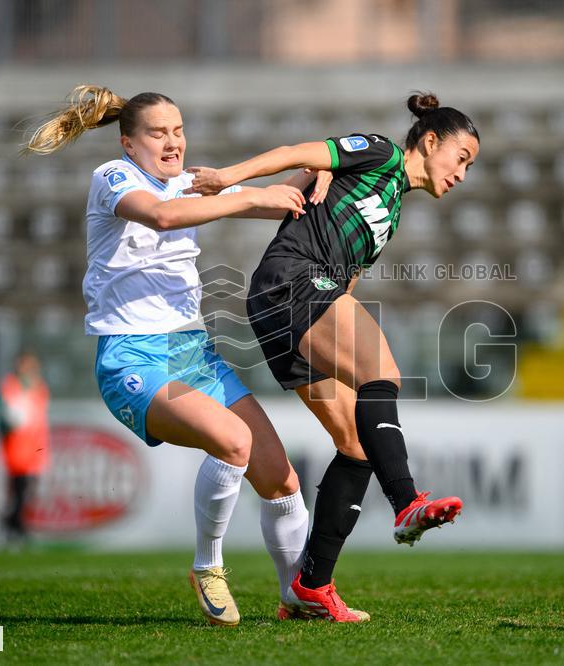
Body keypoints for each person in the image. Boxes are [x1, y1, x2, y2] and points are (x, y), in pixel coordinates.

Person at [23, 84, 348, 626]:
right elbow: (163, 217)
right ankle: (207, 566)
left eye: (178, 130)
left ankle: (299, 596)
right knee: (232, 440)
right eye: (158, 132)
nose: (173, 141)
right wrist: (248, 196)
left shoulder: (183, 181)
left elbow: (277, 199)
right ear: (129, 143)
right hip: (134, 360)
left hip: (194, 353)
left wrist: (318, 172)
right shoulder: (114, 178)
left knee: (282, 480)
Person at [186, 92, 480, 622]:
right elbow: (295, 152)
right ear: (430, 141)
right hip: (292, 283)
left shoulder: (389, 207)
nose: (462, 174)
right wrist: (227, 178)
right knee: (382, 372)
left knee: (356, 442)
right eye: (461, 159)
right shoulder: (382, 153)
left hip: (295, 304)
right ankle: (407, 501)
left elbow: (348, 275)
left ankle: (311, 583)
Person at [0, 350, 50, 547]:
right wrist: (7, 425)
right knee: (19, 492)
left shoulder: (39, 387)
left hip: (35, 448)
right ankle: (15, 529)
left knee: (27, 493)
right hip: (16, 449)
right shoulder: (9, 386)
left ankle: (13, 528)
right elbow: (1, 417)